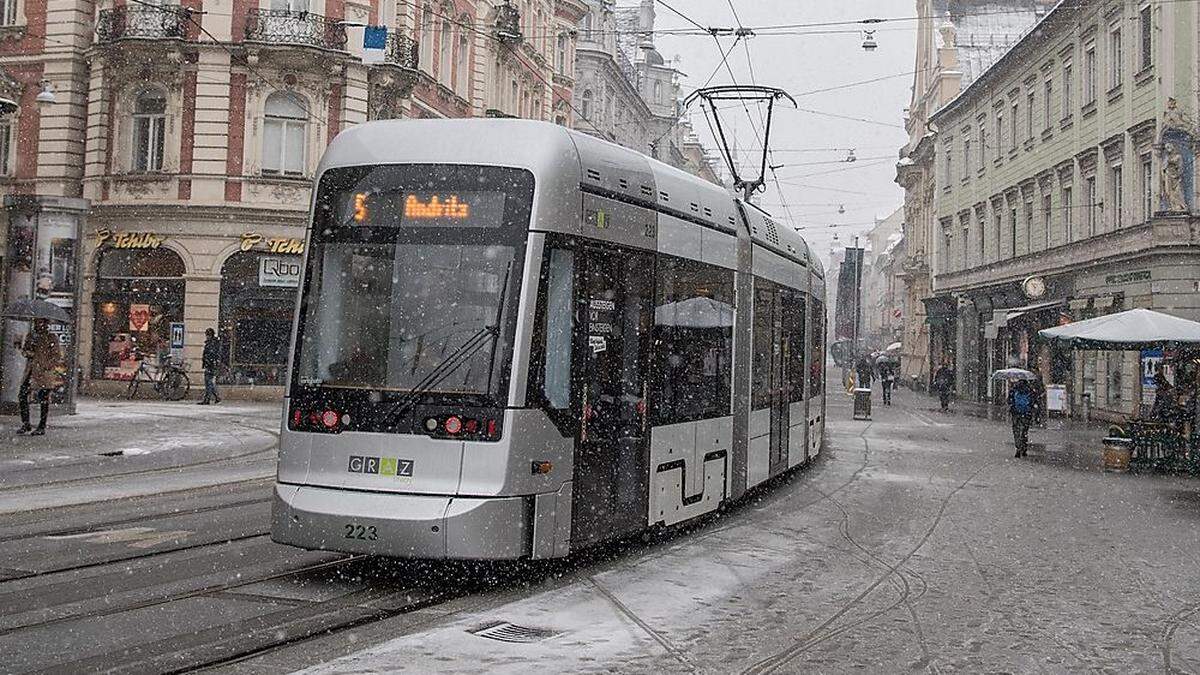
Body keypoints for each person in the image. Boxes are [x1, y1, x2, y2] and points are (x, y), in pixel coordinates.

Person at [17, 319, 63, 436]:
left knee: (43, 398)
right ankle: (26, 423)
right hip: (31, 371)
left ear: (46, 324)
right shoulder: (31, 336)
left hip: (44, 373)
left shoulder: (51, 337)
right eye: (37, 322)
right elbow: (25, 352)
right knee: (22, 394)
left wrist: (46, 365)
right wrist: (27, 350)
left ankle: (42, 425)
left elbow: (56, 356)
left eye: (42, 323)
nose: (39, 325)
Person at [1008, 379, 1036, 458]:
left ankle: (1018, 447)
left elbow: (1009, 401)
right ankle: (1024, 448)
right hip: (1026, 414)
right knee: (1024, 431)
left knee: (1016, 431)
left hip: (1016, 413)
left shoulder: (1014, 389)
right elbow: (1033, 401)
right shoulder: (1029, 390)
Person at [199, 328, 221, 405]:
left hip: (210, 365)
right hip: (210, 364)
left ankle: (207, 399)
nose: (206, 336)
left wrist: (208, 361)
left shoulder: (212, 343)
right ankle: (216, 397)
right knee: (209, 382)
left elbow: (212, 354)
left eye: (207, 335)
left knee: (208, 382)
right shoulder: (212, 343)